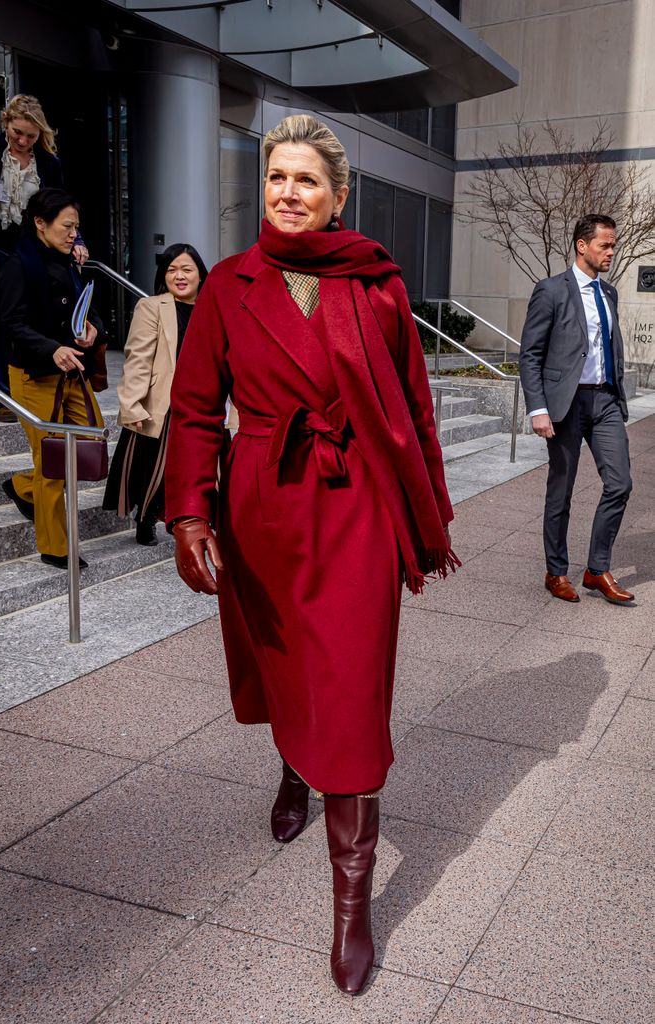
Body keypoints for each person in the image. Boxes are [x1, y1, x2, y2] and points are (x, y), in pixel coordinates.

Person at [164, 115, 458, 995]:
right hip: (263, 506)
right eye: (275, 178)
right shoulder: (228, 285)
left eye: (305, 180)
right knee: (286, 662)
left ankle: (351, 905)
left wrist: (422, 509)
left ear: (337, 195)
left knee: (354, 690)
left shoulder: (376, 284)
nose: (287, 193)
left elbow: (412, 403)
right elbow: (190, 410)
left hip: (355, 502)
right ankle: (294, 766)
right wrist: (189, 514)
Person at [519, 213, 633, 605]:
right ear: (582, 245)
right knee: (561, 492)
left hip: (604, 401)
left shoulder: (610, 293)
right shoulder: (551, 290)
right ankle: (556, 571)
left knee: (620, 483)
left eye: (613, 245)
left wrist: (618, 397)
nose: (611, 252)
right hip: (565, 404)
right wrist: (538, 408)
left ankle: (596, 570)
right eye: (605, 245)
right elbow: (530, 354)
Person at [0, 187, 105, 569]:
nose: (73, 234)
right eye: (66, 226)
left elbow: (83, 308)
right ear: (40, 224)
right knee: (53, 462)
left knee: (91, 440)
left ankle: (22, 487)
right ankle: (56, 547)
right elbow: (11, 325)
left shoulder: (70, 260)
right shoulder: (18, 265)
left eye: (76, 226)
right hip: (35, 375)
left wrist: (93, 328)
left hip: (72, 372)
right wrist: (51, 348)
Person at [0, 95, 88, 421]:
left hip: (25, 243)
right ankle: (4, 396)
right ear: (6, 122)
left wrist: (75, 237)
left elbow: (60, 204)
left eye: (30, 136)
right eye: (17, 132)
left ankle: (33, 380)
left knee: (32, 311)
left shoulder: (49, 164)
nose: (22, 141)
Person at [102, 243, 208, 545]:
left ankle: (190, 519)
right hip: (166, 404)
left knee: (198, 469)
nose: (179, 275)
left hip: (204, 404)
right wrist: (131, 404)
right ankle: (146, 519)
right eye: (172, 270)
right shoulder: (153, 307)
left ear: (200, 273)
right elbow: (138, 359)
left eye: (187, 269)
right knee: (157, 471)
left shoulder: (212, 308)